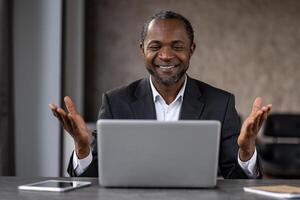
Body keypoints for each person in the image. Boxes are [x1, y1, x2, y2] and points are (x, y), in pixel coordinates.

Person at [49, 11, 272, 178]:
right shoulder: (116, 102)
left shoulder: (220, 103)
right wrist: (82, 148)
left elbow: (237, 184)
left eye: (177, 46)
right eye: (155, 46)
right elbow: (93, 180)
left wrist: (246, 152)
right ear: (142, 49)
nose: (165, 55)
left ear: (191, 49)